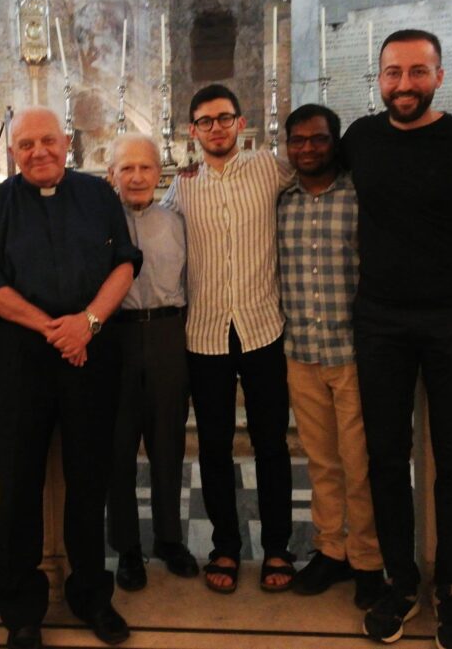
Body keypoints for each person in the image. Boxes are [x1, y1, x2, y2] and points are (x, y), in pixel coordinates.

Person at [0, 107, 141, 649]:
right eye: (24, 144)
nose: (37, 151)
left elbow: (126, 264)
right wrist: (55, 329)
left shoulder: (98, 196)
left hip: (91, 352)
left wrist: (86, 324)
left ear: (67, 141)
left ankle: (91, 596)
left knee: (89, 480)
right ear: (10, 152)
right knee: (17, 483)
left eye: (47, 140)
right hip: (21, 357)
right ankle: (20, 609)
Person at [343, 30, 452, 649]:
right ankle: (401, 581)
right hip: (380, 318)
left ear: (439, 75)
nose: (403, 84)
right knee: (385, 455)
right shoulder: (360, 138)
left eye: (416, 72)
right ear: (378, 79)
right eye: (392, 73)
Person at [161, 83, 295, 595]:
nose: (216, 128)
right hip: (206, 333)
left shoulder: (270, 168)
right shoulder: (183, 185)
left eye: (224, 118)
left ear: (242, 122)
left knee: (271, 444)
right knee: (214, 447)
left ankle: (278, 546)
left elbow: (313, 177)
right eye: (205, 121)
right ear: (192, 132)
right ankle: (225, 545)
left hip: (262, 327)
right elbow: (156, 228)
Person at [277, 104, 385, 609]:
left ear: (334, 142)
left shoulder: (360, 195)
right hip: (300, 351)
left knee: (359, 463)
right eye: (298, 140)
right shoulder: (281, 201)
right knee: (321, 462)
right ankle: (330, 549)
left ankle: (367, 559)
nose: (307, 148)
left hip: (351, 351)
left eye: (318, 139)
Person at [105, 133, 198, 592]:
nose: (137, 177)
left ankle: (169, 539)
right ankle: (127, 550)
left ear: (158, 173)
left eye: (145, 168)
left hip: (166, 334)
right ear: (112, 176)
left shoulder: (177, 220)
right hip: (115, 338)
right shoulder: (98, 223)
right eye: (127, 168)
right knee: (118, 450)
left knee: (168, 445)